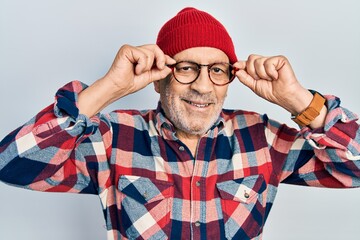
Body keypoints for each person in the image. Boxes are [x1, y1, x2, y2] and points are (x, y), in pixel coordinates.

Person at [0, 6, 359, 240]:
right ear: (159, 78)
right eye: (186, 68)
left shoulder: (262, 138)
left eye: (217, 70)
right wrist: (108, 88)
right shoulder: (113, 139)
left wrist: (297, 100)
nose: (203, 86)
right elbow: (12, 165)